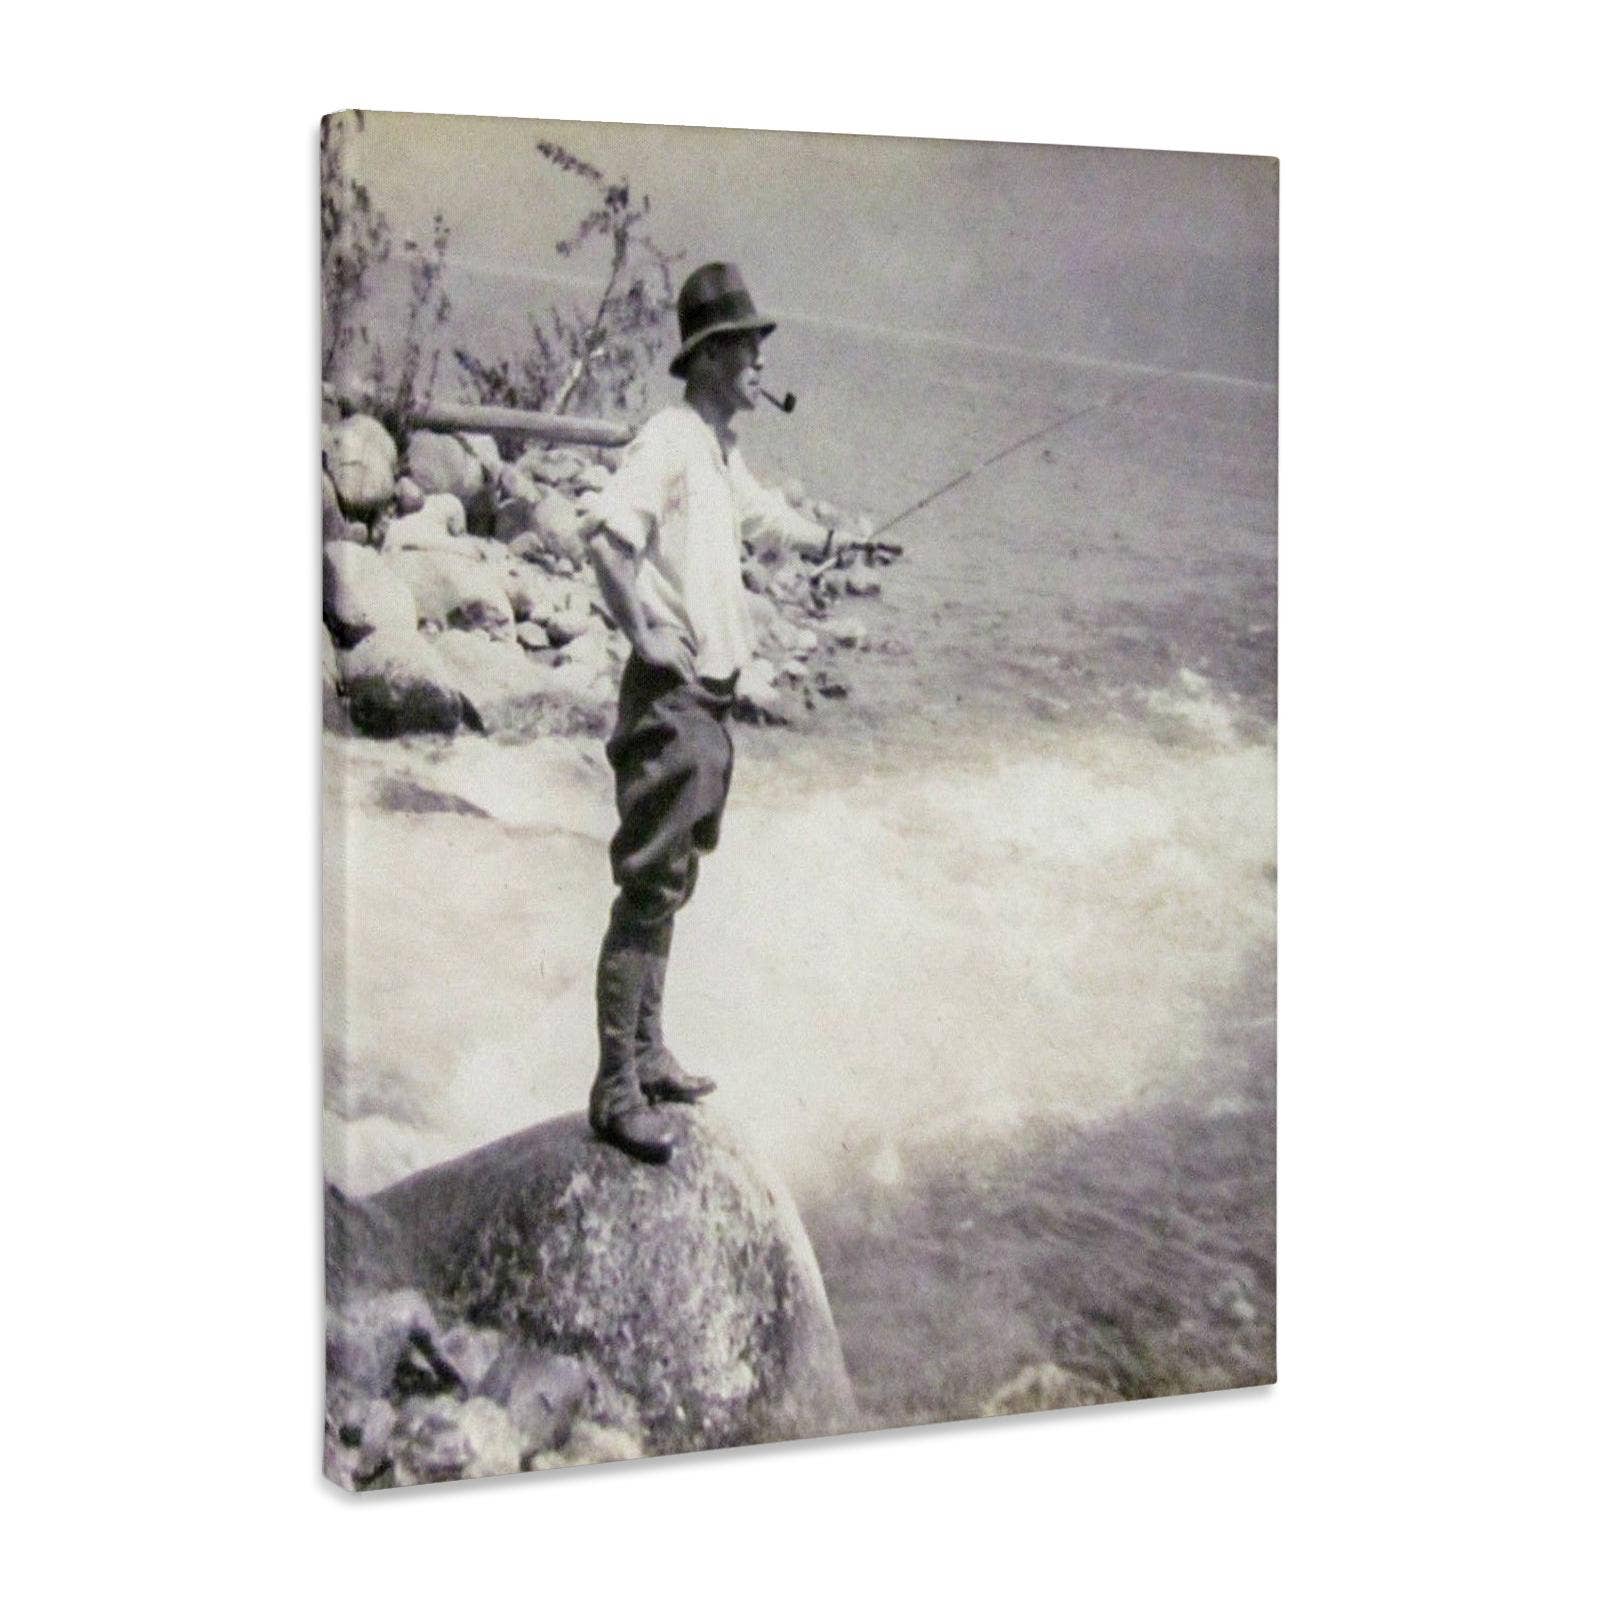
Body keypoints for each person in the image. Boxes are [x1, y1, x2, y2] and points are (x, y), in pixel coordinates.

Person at [580, 262, 827, 1163]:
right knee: (648, 888)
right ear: (713, 355)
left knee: (671, 883)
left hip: (708, 705)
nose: (761, 361)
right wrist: (645, 633)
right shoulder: (670, 440)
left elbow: (763, 518)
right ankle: (615, 1089)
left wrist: (835, 540)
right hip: (674, 701)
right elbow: (608, 541)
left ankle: (647, 1054)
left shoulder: (717, 448)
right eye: (751, 347)